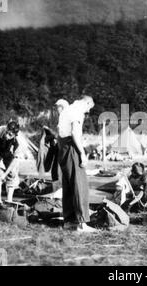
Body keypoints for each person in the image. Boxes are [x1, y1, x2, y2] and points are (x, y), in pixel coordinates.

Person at [57, 95, 97, 232]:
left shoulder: (66, 110)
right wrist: (82, 153)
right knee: (80, 185)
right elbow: (75, 133)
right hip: (71, 147)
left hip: (62, 147)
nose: (88, 112)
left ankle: (69, 221)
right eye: (89, 108)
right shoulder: (77, 111)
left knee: (68, 185)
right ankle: (82, 223)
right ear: (87, 103)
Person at [0, 121, 22, 208]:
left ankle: (9, 200)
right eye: (7, 133)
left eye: (10, 135)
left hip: (9, 153)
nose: (7, 136)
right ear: (6, 129)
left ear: (14, 135)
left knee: (12, 174)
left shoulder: (18, 141)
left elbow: (15, 160)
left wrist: (6, 174)